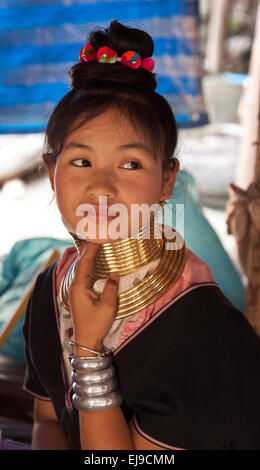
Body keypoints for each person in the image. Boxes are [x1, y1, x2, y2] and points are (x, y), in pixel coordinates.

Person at [23, 20, 260, 450]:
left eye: (130, 164)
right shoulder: (49, 289)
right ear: (51, 173)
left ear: (168, 180)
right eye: (80, 162)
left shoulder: (201, 328)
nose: (102, 187)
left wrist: (90, 352)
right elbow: (47, 421)